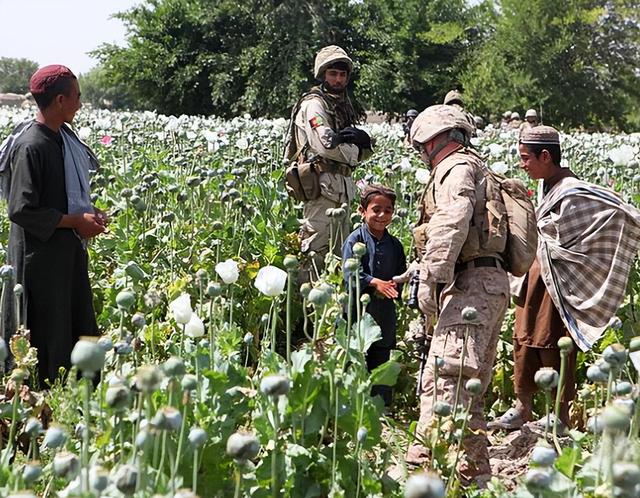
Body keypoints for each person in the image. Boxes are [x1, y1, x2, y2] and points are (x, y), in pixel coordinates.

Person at [492, 126, 640, 430]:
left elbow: (620, 212)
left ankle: (559, 416)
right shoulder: (547, 187)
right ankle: (523, 408)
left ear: (545, 156)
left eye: (525, 158)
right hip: (532, 277)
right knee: (523, 341)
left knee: (552, 343)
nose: (523, 165)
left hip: (558, 282)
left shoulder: (573, 190)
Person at [404, 105, 510, 485]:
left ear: (433, 139)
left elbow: (452, 221)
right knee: (469, 384)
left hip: (471, 286)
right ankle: (473, 471)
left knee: (445, 378)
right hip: (487, 285)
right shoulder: (479, 167)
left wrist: (431, 279)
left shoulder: (456, 169)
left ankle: (428, 470)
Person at [1, 65, 107, 386]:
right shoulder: (31, 146)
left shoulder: (61, 139)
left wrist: (88, 213)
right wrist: (75, 221)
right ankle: (45, 400)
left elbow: (64, 198)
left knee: (75, 323)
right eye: (77, 97)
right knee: (47, 334)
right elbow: (20, 209)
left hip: (64, 257)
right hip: (39, 264)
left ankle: (81, 395)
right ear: (60, 100)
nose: (80, 103)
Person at [285, 45, 373, 282]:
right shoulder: (314, 105)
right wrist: (358, 150)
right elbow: (324, 144)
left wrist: (365, 144)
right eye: (333, 74)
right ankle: (304, 312)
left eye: (342, 74)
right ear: (323, 74)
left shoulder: (343, 105)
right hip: (321, 189)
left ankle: (332, 309)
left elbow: (357, 153)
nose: (338, 79)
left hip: (342, 188)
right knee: (315, 254)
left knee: (339, 255)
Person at [342, 184, 406, 406]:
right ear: (362, 211)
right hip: (357, 311)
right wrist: (372, 282)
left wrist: (397, 284)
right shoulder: (354, 240)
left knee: (382, 355)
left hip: (384, 311)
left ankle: (380, 408)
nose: (382, 215)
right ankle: (350, 405)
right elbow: (350, 274)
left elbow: (399, 276)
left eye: (387, 210)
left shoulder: (395, 245)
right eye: (376, 209)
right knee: (355, 355)